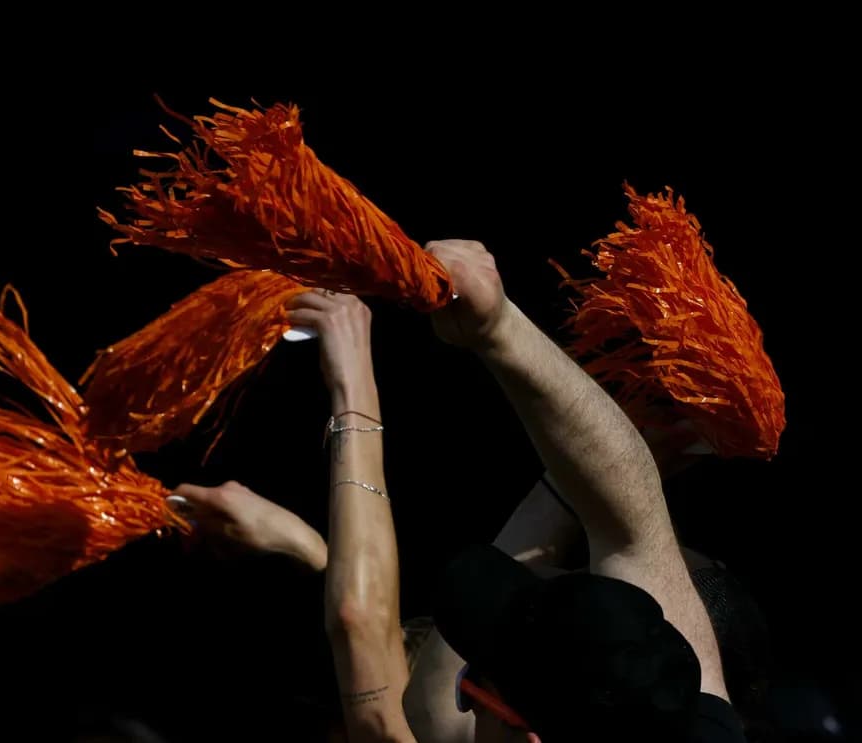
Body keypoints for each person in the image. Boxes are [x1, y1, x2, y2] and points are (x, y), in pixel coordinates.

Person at [176, 239, 746, 741]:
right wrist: (497, 328)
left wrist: (353, 380)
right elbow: (632, 524)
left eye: (470, 680)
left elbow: (367, 646)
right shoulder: (679, 725)